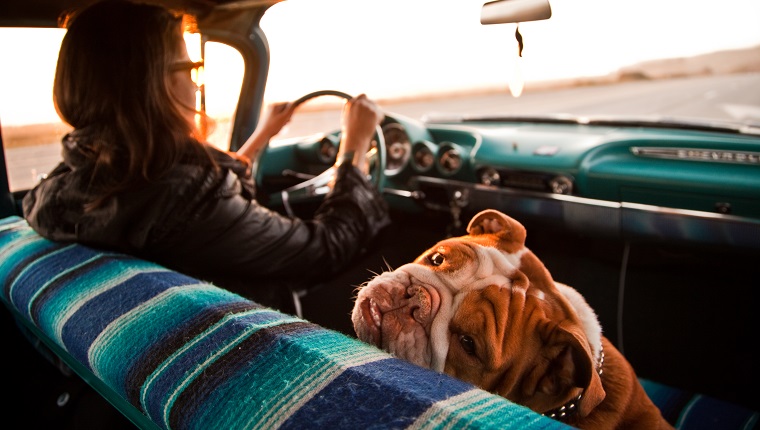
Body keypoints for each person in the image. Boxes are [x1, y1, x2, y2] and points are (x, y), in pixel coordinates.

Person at [22, 0, 391, 312]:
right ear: (156, 82)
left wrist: (262, 136)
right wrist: (354, 146)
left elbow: (206, 199)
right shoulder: (184, 201)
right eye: (189, 67)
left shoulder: (70, 184)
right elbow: (326, 247)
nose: (196, 81)